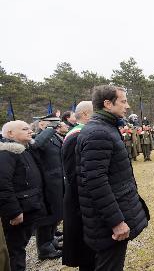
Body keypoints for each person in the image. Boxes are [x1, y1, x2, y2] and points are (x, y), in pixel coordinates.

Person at [76, 85, 149, 271]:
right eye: (123, 101)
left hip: (109, 215)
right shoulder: (98, 132)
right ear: (108, 103)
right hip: (106, 223)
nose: (127, 106)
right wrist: (116, 222)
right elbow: (96, 182)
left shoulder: (106, 128)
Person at [0, 121, 48, 271]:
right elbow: (2, 185)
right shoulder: (6, 154)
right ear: (10, 134)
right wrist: (14, 212)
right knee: (15, 250)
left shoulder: (23, 150)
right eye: (24, 129)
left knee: (20, 246)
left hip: (29, 208)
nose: (30, 131)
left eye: (29, 128)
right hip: (19, 212)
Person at [61, 101, 95, 270]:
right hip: (79, 203)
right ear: (87, 114)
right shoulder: (77, 136)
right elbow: (76, 176)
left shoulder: (81, 134)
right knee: (86, 255)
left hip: (83, 202)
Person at [31, 114, 67, 260]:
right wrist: (49, 129)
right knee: (46, 217)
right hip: (47, 183)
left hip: (56, 181)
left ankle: (51, 240)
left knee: (56, 212)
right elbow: (36, 145)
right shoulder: (40, 137)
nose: (57, 126)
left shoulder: (53, 137)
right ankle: (44, 249)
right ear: (43, 125)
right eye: (54, 124)